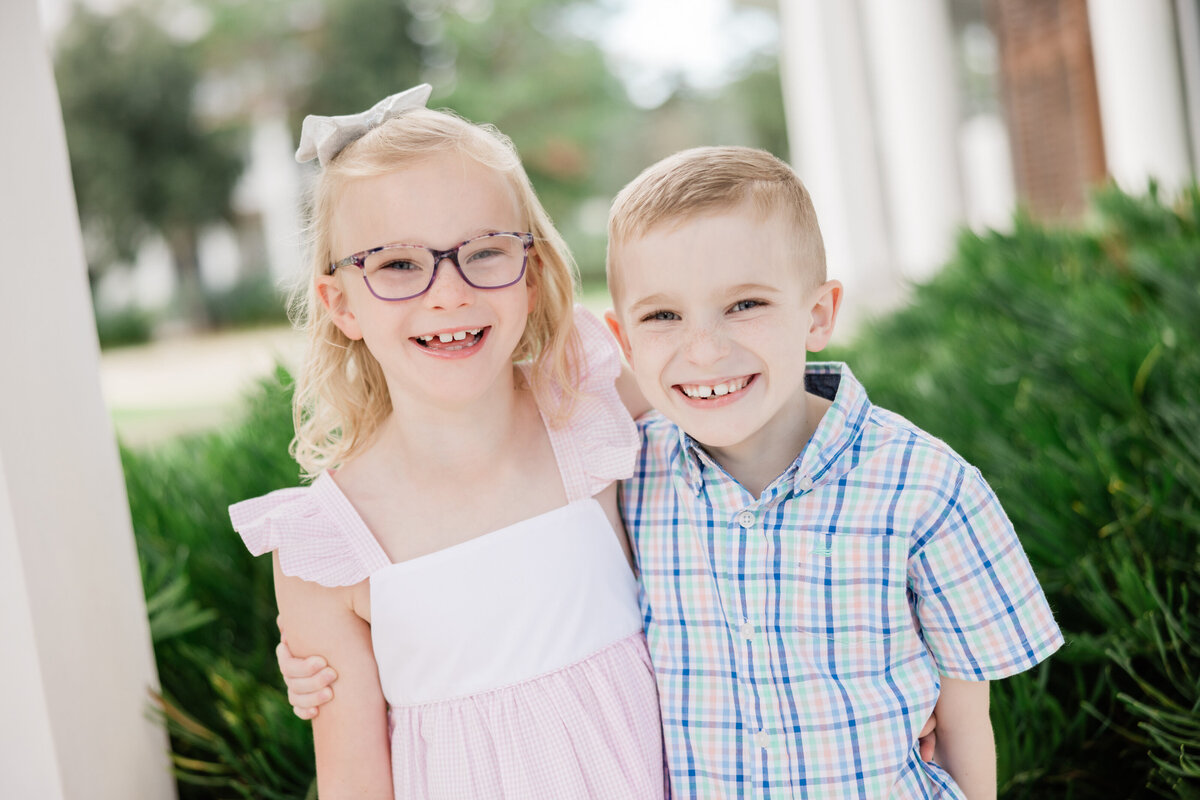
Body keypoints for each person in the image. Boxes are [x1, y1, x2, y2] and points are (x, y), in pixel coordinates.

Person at [228, 85, 665, 799]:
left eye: (484, 252)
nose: (448, 293)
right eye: (398, 264)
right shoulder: (328, 547)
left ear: (532, 270)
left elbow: (761, 436)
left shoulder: (590, 410)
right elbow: (354, 783)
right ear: (341, 303)